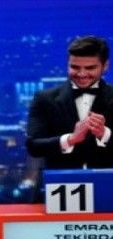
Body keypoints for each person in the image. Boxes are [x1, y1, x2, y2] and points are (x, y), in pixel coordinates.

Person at [25, 35, 113, 198]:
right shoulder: (45, 99)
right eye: (75, 67)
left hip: (109, 191)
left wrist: (104, 134)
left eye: (90, 68)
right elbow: (33, 145)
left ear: (105, 66)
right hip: (56, 191)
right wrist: (70, 139)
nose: (82, 74)